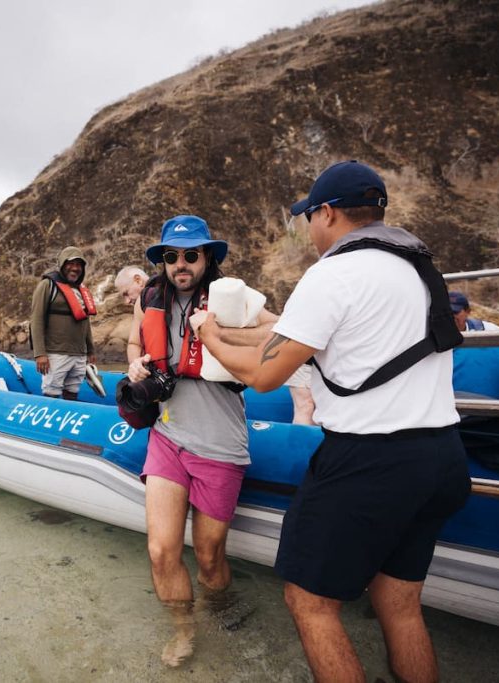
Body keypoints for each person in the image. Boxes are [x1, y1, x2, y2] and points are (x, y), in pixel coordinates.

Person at [190, 161, 471, 683]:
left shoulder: (334, 273)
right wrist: (232, 336)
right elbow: (301, 340)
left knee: (310, 601)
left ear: (325, 213)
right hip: (442, 457)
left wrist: (209, 339)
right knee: (401, 604)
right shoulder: (418, 267)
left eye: (309, 217)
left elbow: (265, 376)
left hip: (370, 461)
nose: (309, 229)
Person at [124, 215, 274, 666]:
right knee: (160, 549)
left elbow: (284, 331)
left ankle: (222, 609)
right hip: (168, 436)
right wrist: (135, 365)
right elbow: (134, 343)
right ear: (163, 261)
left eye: (191, 254)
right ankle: (184, 630)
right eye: (172, 256)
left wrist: (219, 333)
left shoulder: (234, 298)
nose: (181, 264)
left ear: (208, 257)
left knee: (209, 557)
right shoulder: (150, 297)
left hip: (221, 446)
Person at [29, 246, 97, 400]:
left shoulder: (82, 290)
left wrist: (91, 350)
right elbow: (36, 320)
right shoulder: (47, 285)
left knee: (73, 390)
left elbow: (85, 322)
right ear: (62, 264)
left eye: (79, 264)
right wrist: (40, 354)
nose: (75, 268)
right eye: (70, 263)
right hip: (56, 353)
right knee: (51, 390)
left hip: (79, 353)